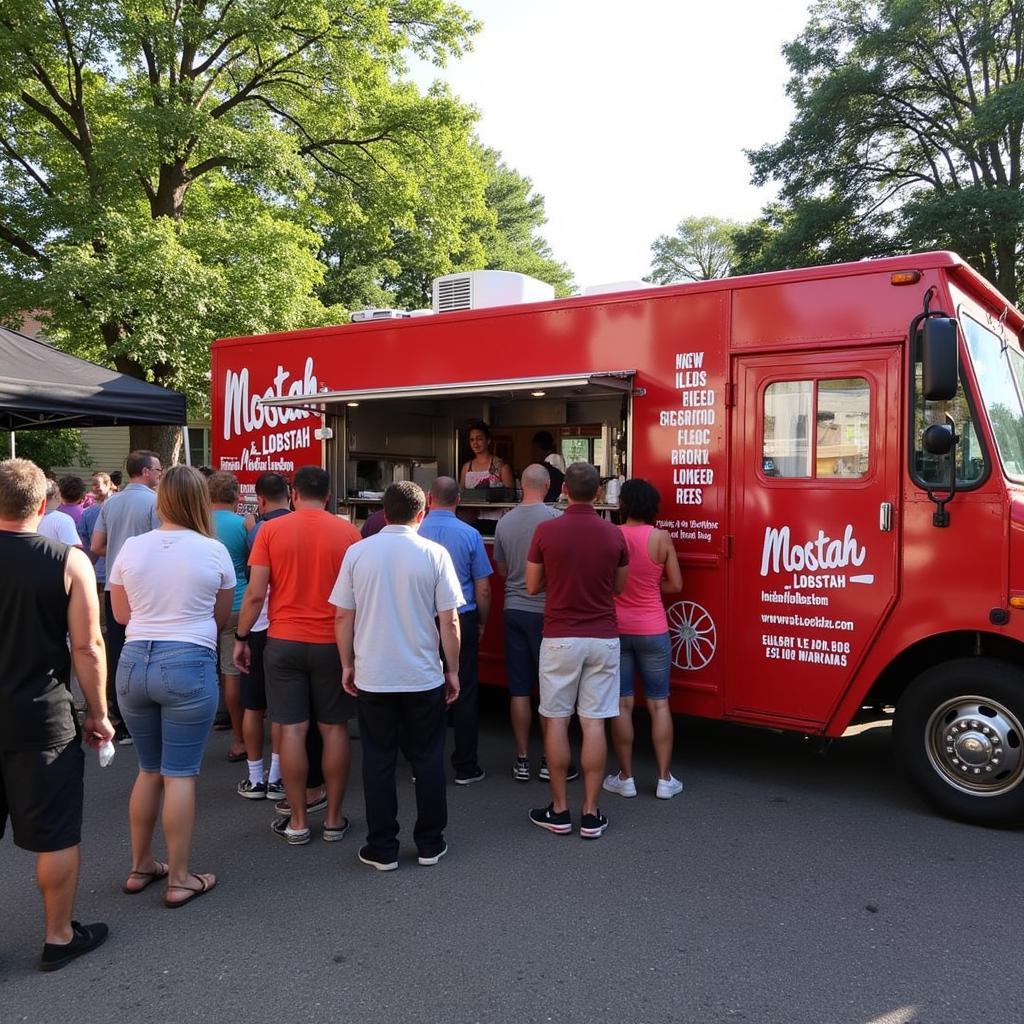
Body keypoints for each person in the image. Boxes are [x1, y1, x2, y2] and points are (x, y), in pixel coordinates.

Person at [0, 458, 113, 971]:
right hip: (41, 716)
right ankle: (59, 935)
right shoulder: (67, 560)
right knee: (56, 831)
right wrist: (99, 712)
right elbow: (87, 646)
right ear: (42, 506)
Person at [108, 465, 235, 908]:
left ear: (161, 499)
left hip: (132, 662)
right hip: (188, 662)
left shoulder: (131, 548)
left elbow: (122, 616)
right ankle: (180, 877)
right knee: (180, 772)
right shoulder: (213, 550)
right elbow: (220, 619)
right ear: (200, 500)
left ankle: (141, 864)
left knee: (149, 769)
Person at [331, 481, 463, 871]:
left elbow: (342, 615)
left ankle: (382, 846)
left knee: (378, 759)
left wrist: (347, 662)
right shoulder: (435, 554)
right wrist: (453, 669)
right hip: (423, 675)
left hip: (373, 674)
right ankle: (429, 843)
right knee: (427, 759)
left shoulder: (357, 553)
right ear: (421, 514)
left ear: (383, 513)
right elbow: (449, 620)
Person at [236, 466, 359, 846]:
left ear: (293, 494)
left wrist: (241, 637)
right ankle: (335, 819)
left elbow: (256, 594)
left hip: (283, 640)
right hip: (332, 643)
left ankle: (299, 822)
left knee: (291, 729)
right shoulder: (348, 533)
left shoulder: (269, 531)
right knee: (334, 728)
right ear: (327, 496)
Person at [526, 462, 628, 839]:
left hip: (560, 637)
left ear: (564, 489)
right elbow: (619, 587)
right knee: (593, 721)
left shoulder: (546, 530)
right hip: (604, 637)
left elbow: (533, 585)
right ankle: (591, 811)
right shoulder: (613, 535)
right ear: (599, 493)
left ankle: (559, 809)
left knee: (556, 719)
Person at [603, 479, 684, 799]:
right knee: (659, 704)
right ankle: (665, 780)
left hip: (617, 629)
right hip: (653, 628)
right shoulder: (662, 538)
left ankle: (626, 778)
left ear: (622, 504)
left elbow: (606, 582)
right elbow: (675, 584)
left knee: (622, 704)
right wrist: (650, 588)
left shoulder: (612, 535)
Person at [418, 477, 492, 784]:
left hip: (421, 619)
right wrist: (483, 622)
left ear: (430, 498)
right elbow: (484, 588)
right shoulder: (470, 534)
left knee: (423, 691)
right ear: (458, 499)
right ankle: (465, 766)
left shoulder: (416, 532)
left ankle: (422, 764)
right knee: (464, 690)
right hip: (461, 617)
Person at [493, 464, 565, 780]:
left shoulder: (504, 521)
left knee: (519, 689)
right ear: (547, 485)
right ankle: (550, 760)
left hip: (513, 609)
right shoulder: (555, 520)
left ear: (521, 484)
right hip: (545, 612)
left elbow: (501, 570)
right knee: (551, 691)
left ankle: (522, 759)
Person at [91, 450, 162, 744]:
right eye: (157, 468)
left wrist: (121, 557)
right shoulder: (155, 502)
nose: (160, 473)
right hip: (145, 588)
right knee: (149, 648)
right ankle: (145, 716)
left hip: (113, 587)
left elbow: (96, 545)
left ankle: (121, 714)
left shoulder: (111, 503)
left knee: (119, 651)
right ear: (145, 471)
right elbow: (163, 543)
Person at [234, 471, 290, 801]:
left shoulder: (261, 531)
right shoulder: (301, 525)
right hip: (286, 627)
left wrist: (241, 635)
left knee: (253, 706)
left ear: (261, 500)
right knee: (284, 709)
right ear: (290, 495)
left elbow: (256, 589)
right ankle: (278, 777)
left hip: (257, 625)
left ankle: (255, 778)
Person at [207, 471, 249, 763]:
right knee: (234, 671)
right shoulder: (245, 524)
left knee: (214, 670)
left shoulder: (198, 524)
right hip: (241, 604)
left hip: (205, 604)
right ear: (236, 496)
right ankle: (240, 736)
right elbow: (252, 565)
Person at [78, 473, 113, 629]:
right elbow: (83, 537)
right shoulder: (88, 512)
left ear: (108, 484)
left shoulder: (114, 507)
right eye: (93, 485)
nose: (95, 488)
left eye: (98, 484)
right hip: (97, 565)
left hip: (111, 564)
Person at [459, 421, 514, 491]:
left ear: (488, 440)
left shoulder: (501, 466)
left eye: (479, 439)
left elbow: (510, 496)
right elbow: (461, 494)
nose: (475, 443)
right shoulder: (466, 467)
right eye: (472, 440)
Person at [38, 479, 82, 547]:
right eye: (59, 494)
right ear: (56, 497)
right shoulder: (63, 519)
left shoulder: (24, 517)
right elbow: (75, 548)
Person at [532, 431, 566, 502]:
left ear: (538, 447)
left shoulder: (553, 459)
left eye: (534, 448)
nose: (533, 452)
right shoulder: (547, 463)